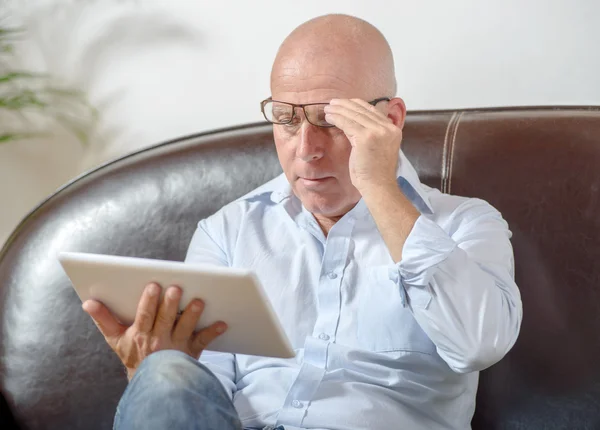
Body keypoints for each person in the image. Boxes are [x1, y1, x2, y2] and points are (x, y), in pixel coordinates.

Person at [83, 13, 522, 430]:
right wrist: (151, 371)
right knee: (164, 376)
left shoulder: (465, 224)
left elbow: (478, 343)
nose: (306, 149)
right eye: (287, 120)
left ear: (389, 121)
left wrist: (379, 187)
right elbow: (195, 397)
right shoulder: (228, 231)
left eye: (330, 120)